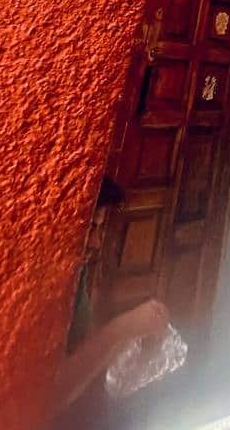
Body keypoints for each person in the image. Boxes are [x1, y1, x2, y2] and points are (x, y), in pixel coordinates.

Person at [51, 178, 170, 427]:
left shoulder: (77, 271)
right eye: (88, 230)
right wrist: (121, 329)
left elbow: (80, 346)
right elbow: (47, 398)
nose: (95, 243)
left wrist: (133, 339)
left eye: (98, 230)